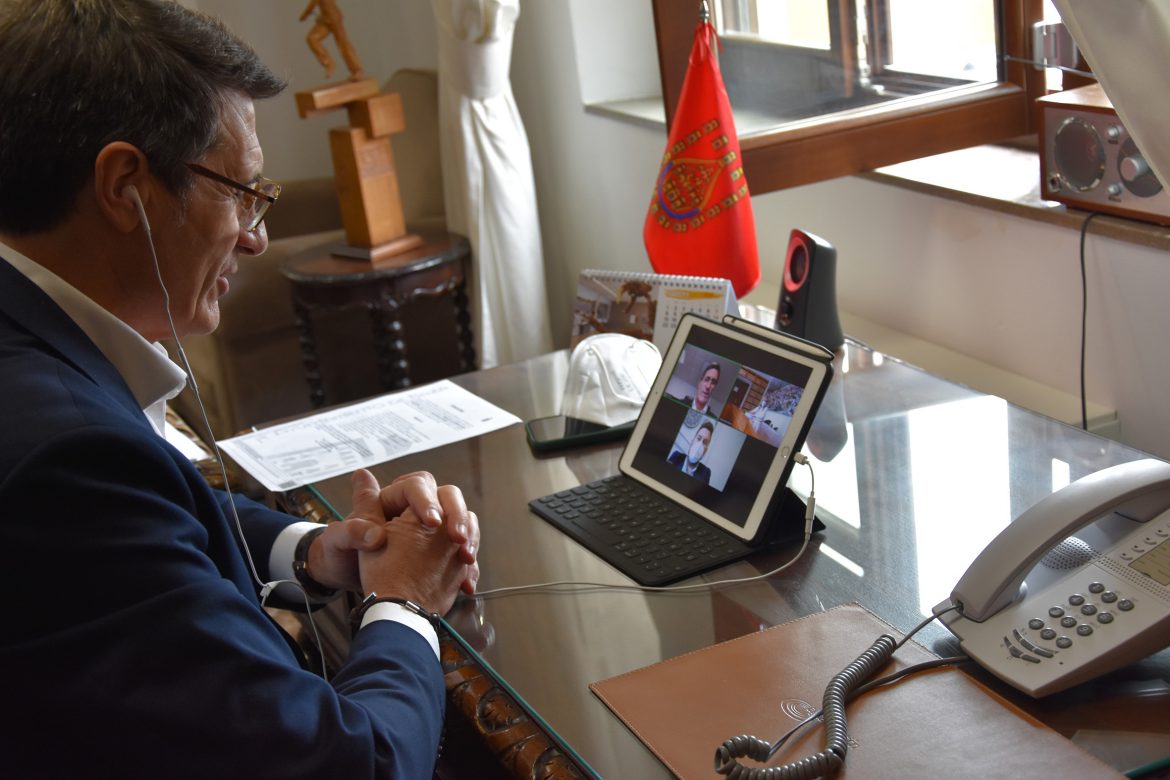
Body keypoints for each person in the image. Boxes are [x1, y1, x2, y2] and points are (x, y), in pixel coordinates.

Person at [0, 1, 477, 777]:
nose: (257, 235)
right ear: (127, 186)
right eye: (239, 191)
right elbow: (358, 766)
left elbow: (160, 505)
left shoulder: (39, 343)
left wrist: (319, 551)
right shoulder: (66, 461)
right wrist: (406, 603)